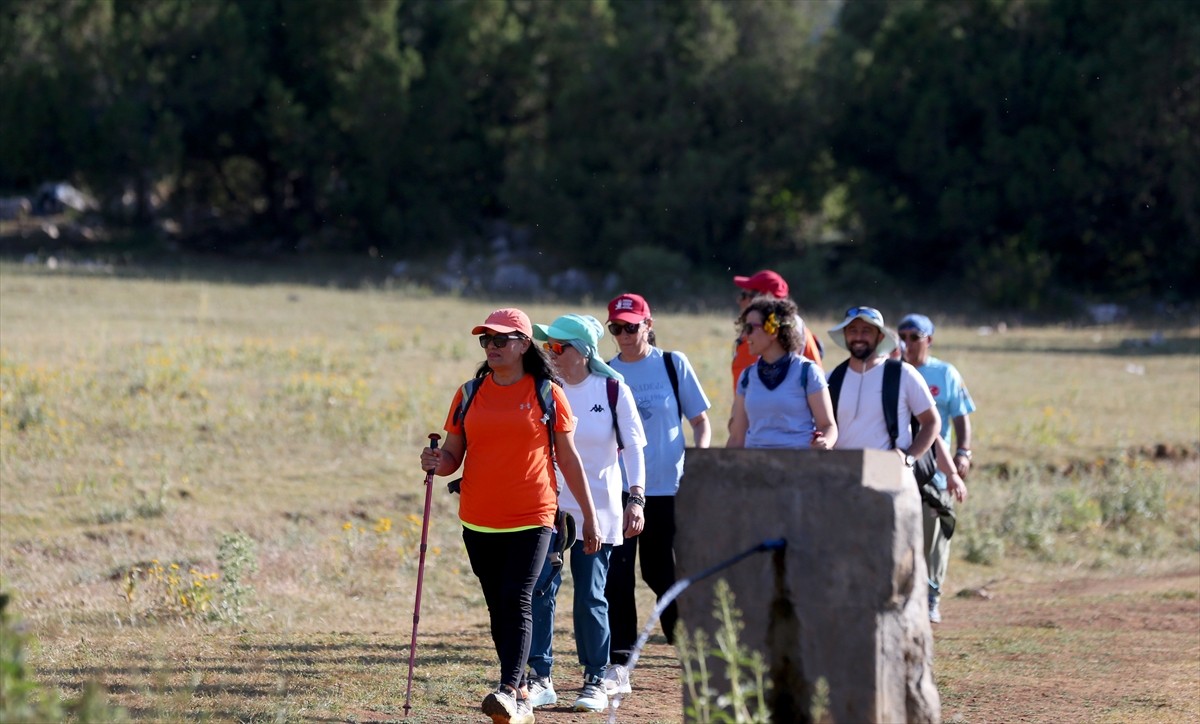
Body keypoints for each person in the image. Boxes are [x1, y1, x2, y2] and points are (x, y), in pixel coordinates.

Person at [419, 308, 601, 724]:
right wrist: (434, 461)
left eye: (501, 339)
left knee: (517, 598)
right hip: (479, 517)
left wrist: (589, 516)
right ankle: (518, 691)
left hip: (533, 514)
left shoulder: (546, 393)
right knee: (497, 605)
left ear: (523, 344)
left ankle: (508, 688)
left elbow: (569, 461)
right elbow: (452, 457)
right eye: (486, 340)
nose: (492, 347)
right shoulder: (468, 393)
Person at [524, 314, 648, 712]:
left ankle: (595, 678)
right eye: (548, 347)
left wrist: (637, 498)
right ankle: (540, 677)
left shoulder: (613, 389)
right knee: (540, 592)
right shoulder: (545, 390)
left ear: (583, 351)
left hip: (601, 511)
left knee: (591, 597)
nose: (551, 353)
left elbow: (633, 449)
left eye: (558, 347)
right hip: (550, 510)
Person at [603, 293, 712, 665]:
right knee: (617, 576)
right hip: (620, 489)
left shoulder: (671, 363)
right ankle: (620, 659)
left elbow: (700, 420)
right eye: (616, 328)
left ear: (648, 325)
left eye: (631, 327)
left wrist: (699, 458)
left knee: (659, 570)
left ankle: (685, 642)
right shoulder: (606, 373)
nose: (623, 334)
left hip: (668, 488)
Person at [898, 313, 976, 623]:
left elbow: (960, 416)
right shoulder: (894, 372)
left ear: (928, 340)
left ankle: (932, 596)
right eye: (902, 337)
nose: (906, 344)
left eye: (913, 337)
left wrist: (964, 452)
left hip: (936, 469)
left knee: (935, 534)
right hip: (902, 466)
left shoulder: (944, 374)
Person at [727, 296, 838, 450]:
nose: (746, 336)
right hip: (755, 467)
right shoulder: (746, 377)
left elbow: (828, 426)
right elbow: (736, 438)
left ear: (773, 332)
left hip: (798, 466)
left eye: (751, 328)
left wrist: (825, 441)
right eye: (745, 328)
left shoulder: (808, 372)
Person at [730, 270, 822, 390]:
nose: (740, 301)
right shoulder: (802, 330)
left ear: (762, 299)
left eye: (744, 295)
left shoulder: (758, 334)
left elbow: (817, 380)